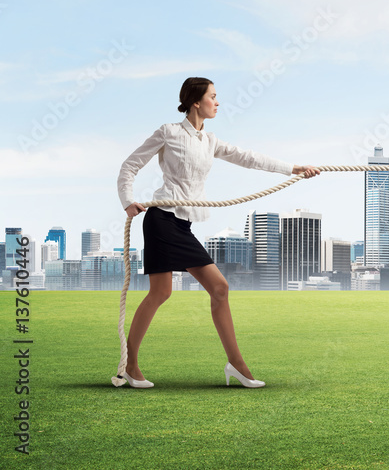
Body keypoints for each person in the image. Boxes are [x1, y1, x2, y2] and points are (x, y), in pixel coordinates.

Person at [116, 77, 320, 388]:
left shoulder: (210, 141)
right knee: (162, 292)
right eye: (213, 96)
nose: (218, 102)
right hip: (160, 220)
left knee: (220, 289)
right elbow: (129, 166)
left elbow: (249, 158)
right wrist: (128, 201)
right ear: (196, 101)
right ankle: (130, 365)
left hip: (183, 225)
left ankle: (236, 365)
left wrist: (293, 169)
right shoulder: (168, 132)